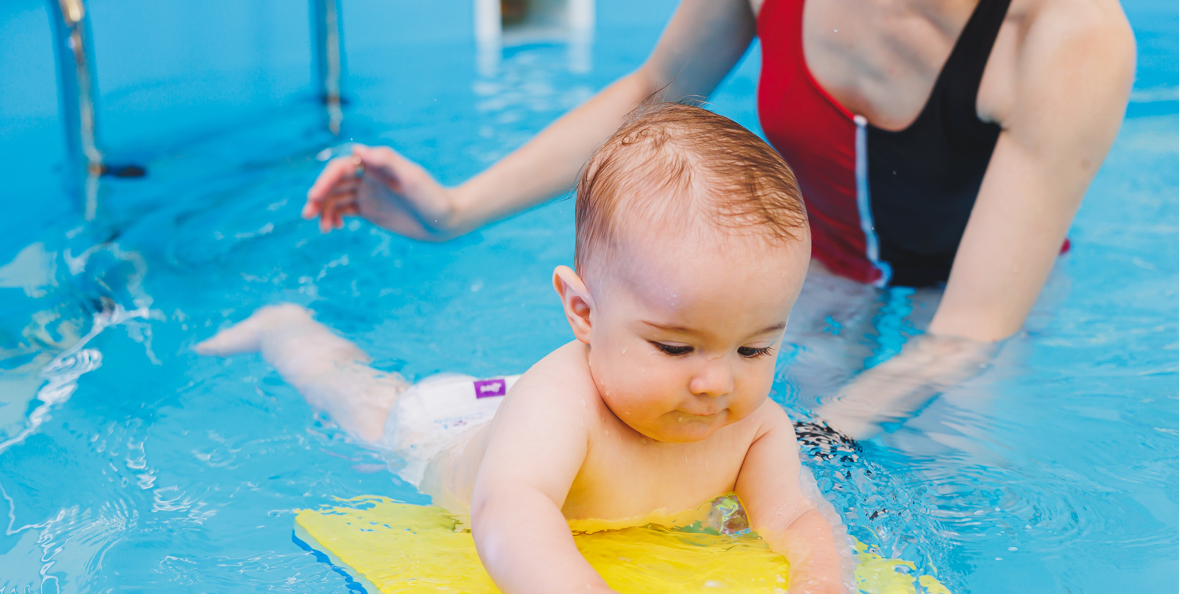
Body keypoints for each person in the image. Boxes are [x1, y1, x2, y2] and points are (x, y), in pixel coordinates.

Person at [199, 104, 908, 594]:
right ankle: (286, 328)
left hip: (564, 406)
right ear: (583, 312)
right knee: (362, 400)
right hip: (444, 430)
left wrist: (822, 589)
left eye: (755, 346)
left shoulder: (753, 428)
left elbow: (795, 518)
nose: (714, 381)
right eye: (673, 344)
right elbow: (510, 506)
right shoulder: (561, 401)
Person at [300, 0, 1135, 439]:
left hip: (973, 302)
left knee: (938, 461)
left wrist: (814, 438)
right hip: (815, 270)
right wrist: (453, 210)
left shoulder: (1068, 35)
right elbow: (654, 90)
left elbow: (963, 336)